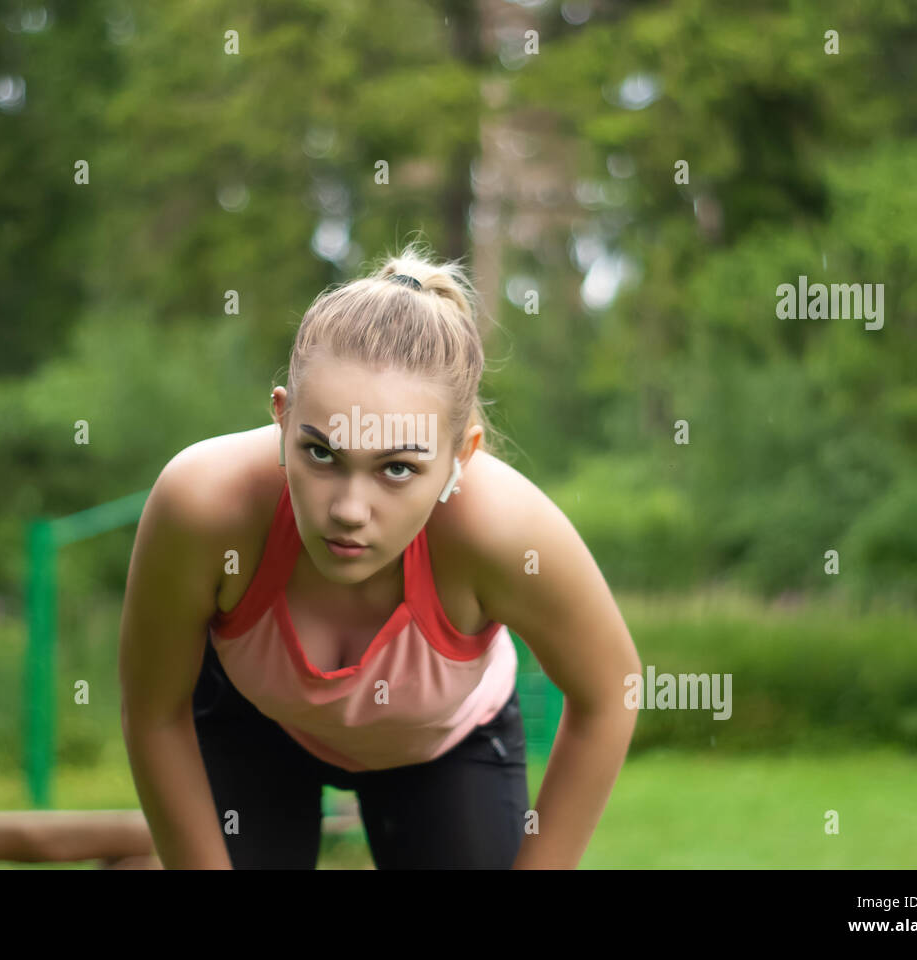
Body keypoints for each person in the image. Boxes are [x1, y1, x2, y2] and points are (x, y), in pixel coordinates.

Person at [119, 241, 641, 869]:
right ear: (282, 420)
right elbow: (153, 712)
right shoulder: (203, 504)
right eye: (321, 454)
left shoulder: (502, 531)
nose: (348, 510)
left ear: (461, 456)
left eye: (396, 468)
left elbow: (613, 693)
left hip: (447, 746)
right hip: (251, 723)